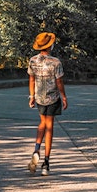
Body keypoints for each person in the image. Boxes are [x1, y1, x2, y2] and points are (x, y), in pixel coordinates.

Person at [26, 31, 67, 176]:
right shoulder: (56, 62)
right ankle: (46, 163)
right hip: (53, 97)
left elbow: (31, 79)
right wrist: (64, 97)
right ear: (50, 46)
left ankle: (36, 148)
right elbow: (59, 82)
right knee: (49, 127)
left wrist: (31, 96)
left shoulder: (33, 61)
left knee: (42, 122)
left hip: (39, 98)